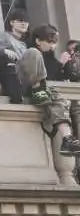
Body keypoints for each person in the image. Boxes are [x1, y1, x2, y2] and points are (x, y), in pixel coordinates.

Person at [16, 24, 80, 156]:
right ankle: (38, 89)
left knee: (59, 99)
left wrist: (66, 65)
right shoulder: (30, 52)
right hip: (26, 87)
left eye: (55, 43)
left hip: (43, 90)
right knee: (33, 53)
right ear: (38, 40)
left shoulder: (49, 57)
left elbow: (55, 78)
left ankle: (67, 140)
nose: (53, 46)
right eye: (50, 42)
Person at [0, 9, 30, 103]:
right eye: (20, 21)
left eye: (26, 21)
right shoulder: (5, 37)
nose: (24, 24)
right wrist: (4, 51)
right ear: (12, 22)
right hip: (10, 75)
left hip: (22, 77)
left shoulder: (23, 45)